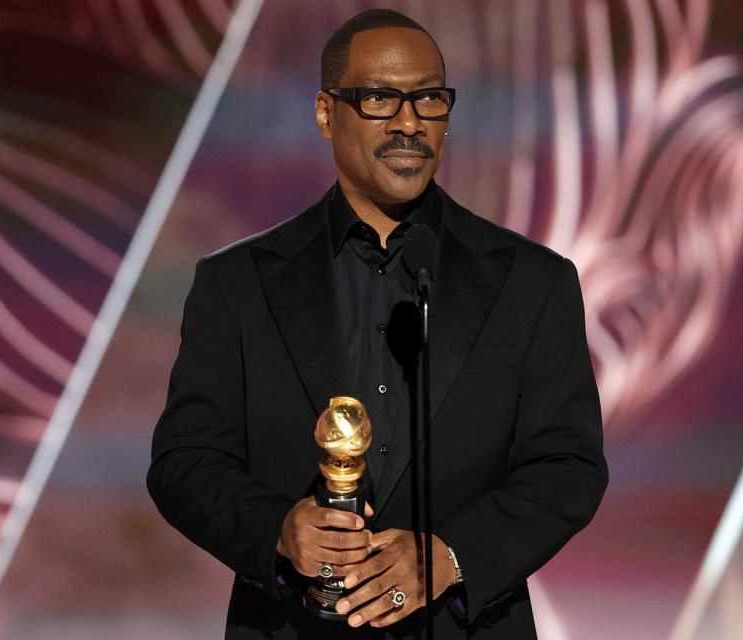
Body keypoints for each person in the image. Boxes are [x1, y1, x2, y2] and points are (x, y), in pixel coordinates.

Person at [147, 8, 607, 640]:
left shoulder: (532, 282)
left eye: (429, 99)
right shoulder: (238, 283)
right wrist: (279, 531)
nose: (410, 121)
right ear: (325, 112)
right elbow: (186, 463)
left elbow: (568, 467)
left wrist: (449, 557)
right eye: (380, 98)